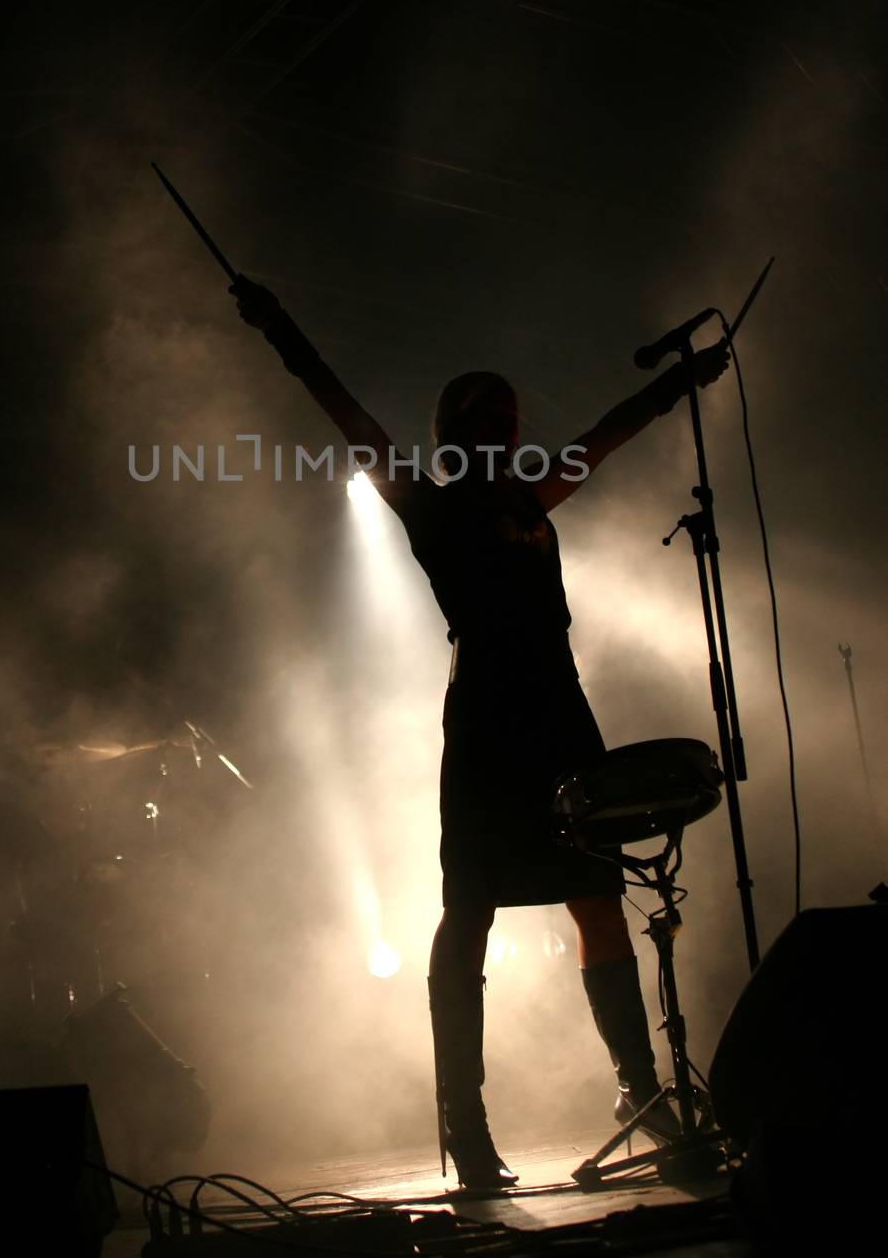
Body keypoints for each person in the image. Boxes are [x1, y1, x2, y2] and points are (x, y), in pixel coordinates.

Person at [231, 276, 729, 1188]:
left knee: (593, 894)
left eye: (506, 417)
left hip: (557, 707)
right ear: (458, 431)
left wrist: (675, 384)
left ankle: (638, 1090)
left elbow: (604, 437)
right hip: (490, 716)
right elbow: (344, 410)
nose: (504, 430)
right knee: (471, 905)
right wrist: (280, 328)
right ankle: (464, 1118)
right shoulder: (426, 501)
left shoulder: (532, 494)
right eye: (488, 418)